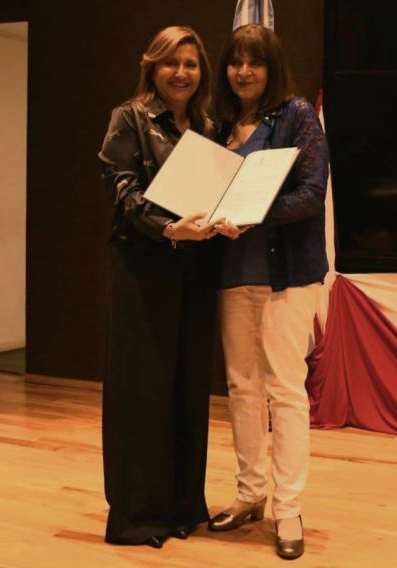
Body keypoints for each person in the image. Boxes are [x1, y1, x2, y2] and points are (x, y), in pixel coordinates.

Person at [208, 24, 330, 561]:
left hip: (289, 275)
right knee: (241, 388)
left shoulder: (297, 115)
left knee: (285, 390)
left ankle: (289, 508)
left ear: (271, 66)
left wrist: (253, 215)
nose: (244, 72)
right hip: (232, 273)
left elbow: (311, 194)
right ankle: (250, 493)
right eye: (235, 62)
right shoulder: (219, 125)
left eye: (254, 62)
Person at [97, 26, 222, 549]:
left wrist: (225, 216)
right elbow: (121, 190)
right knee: (143, 393)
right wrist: (170, 228)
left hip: (196, 272)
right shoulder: (129, 117)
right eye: (171, 62)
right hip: (144, 269)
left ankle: (182, 507)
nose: (181, 73)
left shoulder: (210, 127)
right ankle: (139, 517)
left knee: (188, 390)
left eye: (191, 64)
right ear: (153, 67)